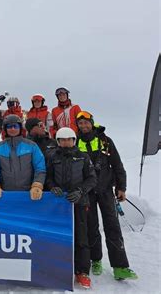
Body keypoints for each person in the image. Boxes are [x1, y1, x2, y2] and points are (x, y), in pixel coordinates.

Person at [76, 111, 138, 280]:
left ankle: (120, 266)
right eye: (80, 123)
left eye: (86, 122)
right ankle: (95, 260)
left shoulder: (105, 141)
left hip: (105, 191)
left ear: (92, 123)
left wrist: (121, 187)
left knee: (113, 227)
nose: (84, 126)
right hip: (87, 193)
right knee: (91, 227)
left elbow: (117, 165)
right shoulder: (75, 141)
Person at [46, 127, 97, 289]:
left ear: (74, 140)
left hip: (79, 203)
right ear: (58, 142)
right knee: (58, 236)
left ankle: (82, 272)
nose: (66, 142)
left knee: (81, 236)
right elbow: (48, 177)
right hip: (59, 204)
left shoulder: (83, 157)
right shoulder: (53, 157)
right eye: (62, 140)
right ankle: (58, 268)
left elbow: (91, 178)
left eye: (69, 139)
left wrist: (80, 191)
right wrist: (53, 187)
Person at [0, 115, 46, 200]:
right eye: (9, 126)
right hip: (5, 195)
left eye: (15, 126)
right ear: (5, 129)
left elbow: (40, 168)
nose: (13, 129)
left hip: (29, 195)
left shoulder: (31, 146)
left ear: (20, 128)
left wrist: (37, 185)